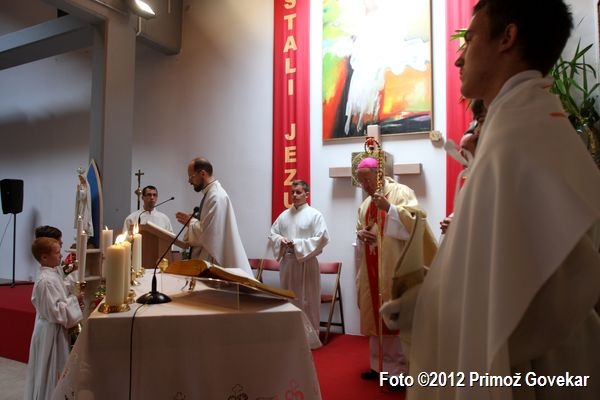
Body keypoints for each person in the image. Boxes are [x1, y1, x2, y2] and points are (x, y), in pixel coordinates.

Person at [394, 1, 600, 399]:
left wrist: (432, 310)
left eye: (470, 39)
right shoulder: (532, 122)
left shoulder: (514, 141)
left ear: (507, 37)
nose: (459, 57)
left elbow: (542, 299)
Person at [354, 157, 437, 386]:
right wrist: (361, 235)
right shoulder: (365, 204)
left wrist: (389, 209)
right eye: (361, 182)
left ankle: (398, 371)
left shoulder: (401, 192)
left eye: (367, 180)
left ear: (379, 175)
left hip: (394, 265)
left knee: (393, 314)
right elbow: (361, 228)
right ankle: (377, 365)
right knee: (374, 314)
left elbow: (416, 223)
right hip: (372, 265)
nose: (365, 186)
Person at [24, 237, 84, 400]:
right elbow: (56, 311)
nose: (60, 255)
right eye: (57, 253)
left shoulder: (52, 274)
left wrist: (72, 290)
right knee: (51, 371)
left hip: (54, 329)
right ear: (44, 257)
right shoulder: (45, 281)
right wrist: (75, 300)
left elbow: (60, 291)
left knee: (58, 369)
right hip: (50, 332)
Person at [269, 180, 330, 332]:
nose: (294, 195)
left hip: (306, 264)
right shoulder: (284, 215)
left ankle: (310, 338)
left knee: (307, 300)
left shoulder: (315, 215)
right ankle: (290, 336)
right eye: (292, 192)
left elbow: (322, 237)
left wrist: (296, 244)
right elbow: (273, 233)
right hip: (288, 264)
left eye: (298, 192)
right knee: (288, 299)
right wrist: (280, 240)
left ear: (306, 194)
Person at [175, 158, 253, 276]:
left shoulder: (215, 196)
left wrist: (190, 222)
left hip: (216, 261)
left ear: (202, 174)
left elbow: (208, 235)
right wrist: (195, 220)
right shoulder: (211, 193)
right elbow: (209, 227)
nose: (189, 181)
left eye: (191, 176)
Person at [439, 99, 486, 234]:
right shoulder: (472, 180)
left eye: (464, 149)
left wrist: (458, 224)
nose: (459, 154)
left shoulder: (490, 179)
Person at [74, 169, 93, 237]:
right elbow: (79, 198)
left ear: (84, 178)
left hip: (85, 206)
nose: (80, 180)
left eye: (81, 178)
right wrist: (78, 191)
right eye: (79, 179)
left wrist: (79, 191)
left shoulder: (87, 186)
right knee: (80, 218)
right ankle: (80, 233)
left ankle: (85, 234)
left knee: (85, 219)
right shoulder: (81, 185)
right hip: (81, 205)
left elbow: (84, 196)